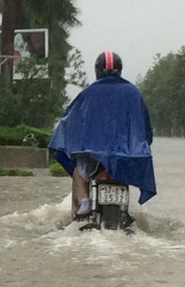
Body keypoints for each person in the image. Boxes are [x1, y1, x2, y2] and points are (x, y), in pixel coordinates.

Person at [49, 51, 156, 218]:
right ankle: (123, 210)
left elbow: (70, 121)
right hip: (126, 157)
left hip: (93, 158)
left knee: (77, 167)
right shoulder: (133, 92)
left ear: (97, 70)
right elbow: (144, 125)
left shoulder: (88, 93)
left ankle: (85, 200)